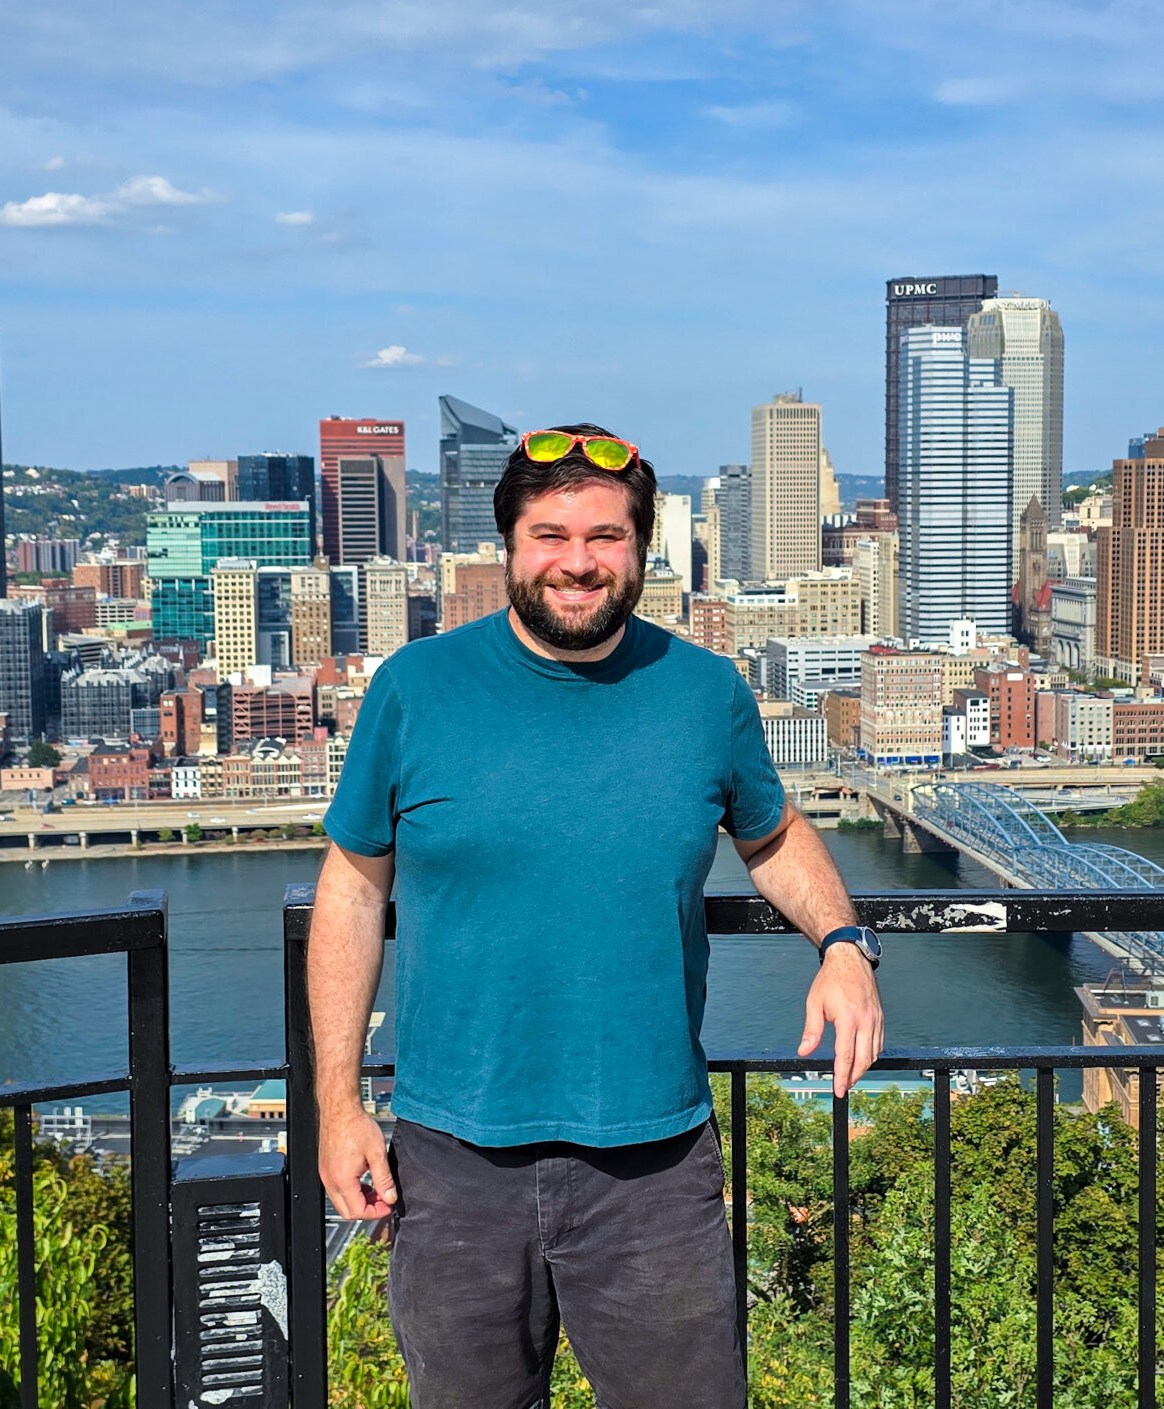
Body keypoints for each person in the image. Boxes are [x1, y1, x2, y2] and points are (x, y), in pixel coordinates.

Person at [312, 423, 885, 1407]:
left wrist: (843, 943)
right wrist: (336, 1106)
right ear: (506, 548)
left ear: (641, 548)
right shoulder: (415, 689)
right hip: (452, 1162)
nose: (578, 562)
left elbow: (774, 834)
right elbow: (353, 890)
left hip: (653, 1165)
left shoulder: (703, 690)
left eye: (606, 537)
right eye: (550, 534)